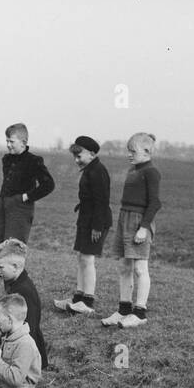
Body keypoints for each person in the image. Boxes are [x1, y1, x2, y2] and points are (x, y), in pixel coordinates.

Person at [101, 132, 162, 328]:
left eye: (132, 151)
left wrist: (143, 228)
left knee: (140, 268)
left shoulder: (151, 172)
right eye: (128, 151)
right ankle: (124, 310)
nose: (129, 154)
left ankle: (140, 313)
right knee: (124, 267)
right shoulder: (133, 170)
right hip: (124, 218)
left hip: (139, 222)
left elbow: (155, 203)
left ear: (146, 151)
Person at [54, 135, 112, 316]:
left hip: (95, 222)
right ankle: (78, 298)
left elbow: (102, 201)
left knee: (88, 259)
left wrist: (97, 227)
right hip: (85, 220)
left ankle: (87, 301)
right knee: (81, 258)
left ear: (92, 154)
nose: (76, 160)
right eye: (75, 157)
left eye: (79, 156)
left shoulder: (98, 171)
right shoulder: (89, 170)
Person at [0, 123, 55, 248]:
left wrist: (26, 197)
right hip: (2, 205)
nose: (8, 145)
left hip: (20, 209)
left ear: (23, 142)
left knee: (11, 255)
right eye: (7, 141)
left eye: (12, 141)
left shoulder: (33, 161)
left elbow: (48, 184)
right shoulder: (7, 159)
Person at [0, 238, 49, 371]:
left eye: (1, 267)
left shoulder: (23, 291)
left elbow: (30, 327)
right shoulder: (16, 284)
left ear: (15, 267)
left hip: (25, 354)